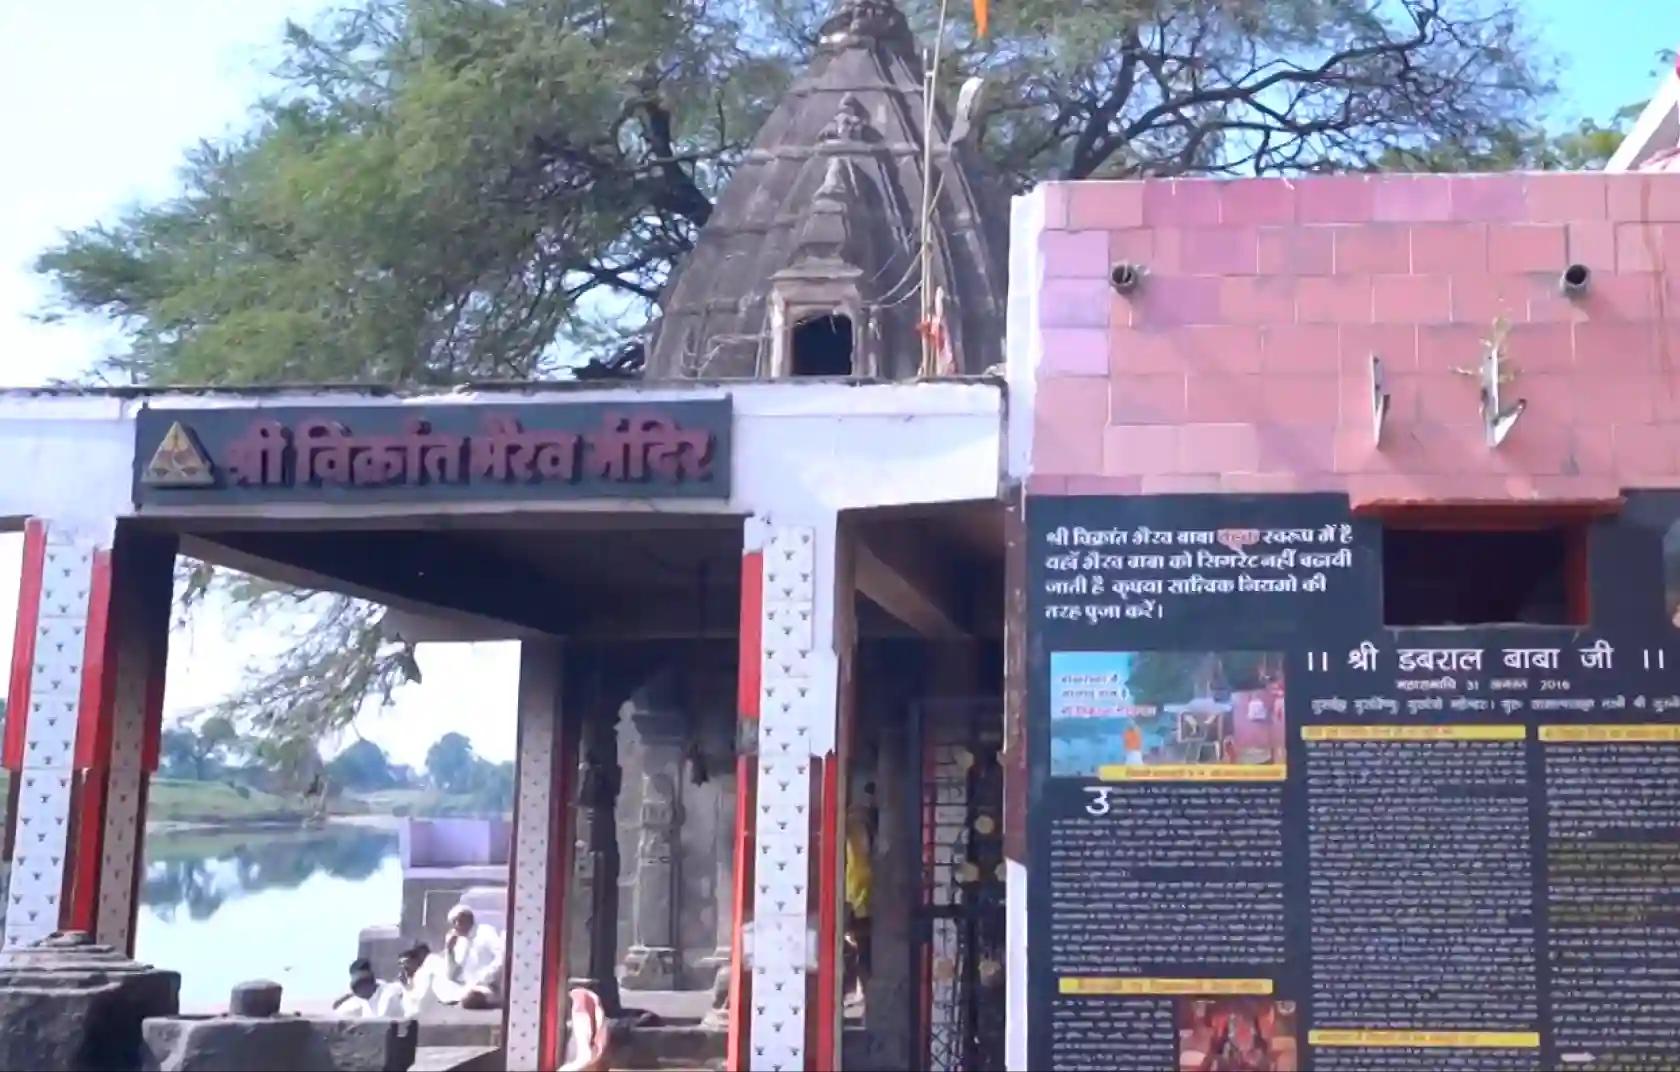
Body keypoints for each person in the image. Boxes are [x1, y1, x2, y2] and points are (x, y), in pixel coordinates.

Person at [442, 905, 505, 1010]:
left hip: (487, 985)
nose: (456, 925)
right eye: (454, 923)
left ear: (469, 919)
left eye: (460, 921)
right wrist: (449, 951)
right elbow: (451, 976)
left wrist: (485, 977)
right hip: (465, 987)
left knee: (473, 997)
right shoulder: (458, 942)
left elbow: (501, 957)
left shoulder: (485, 932)